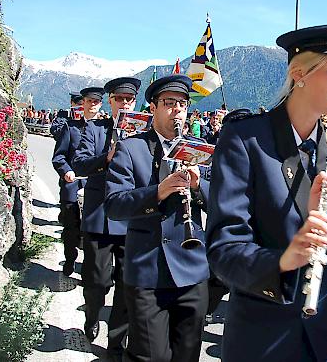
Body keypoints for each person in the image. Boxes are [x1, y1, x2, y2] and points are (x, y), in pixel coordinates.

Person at [206, 23, 327, 361]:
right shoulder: (245, 140)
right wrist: (284, 260)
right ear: (298, 73)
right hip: (267, 333)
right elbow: (224, 249)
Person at [105, 75, 210, 362]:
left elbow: (224, 203)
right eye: (168, 103)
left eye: (182, 104)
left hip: (192, 269)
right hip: (147, 269)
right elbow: (114, 206)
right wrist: (158, 192)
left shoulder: (199, 149)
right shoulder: (131, 148)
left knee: (187, 355)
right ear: (153, 107)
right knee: (150, 356)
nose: (176, 109)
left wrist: (199, 187)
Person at [72, 78, 140, 359]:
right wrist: (106, 158)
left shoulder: (142, 133)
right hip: (100, 216)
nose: (124, 104)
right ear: (110, 100)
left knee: (127, 285)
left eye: (129, 99)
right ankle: (91, 314)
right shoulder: (95, 129)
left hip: (131, 219)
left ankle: (116, 342)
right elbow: (79, 163)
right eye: (120, 99)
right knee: (98, 281)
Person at [51, 88, 99, 276]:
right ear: (83, 103)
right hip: (72, 185)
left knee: (92, 230)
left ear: (100, 104)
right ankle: (70, 259)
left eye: (96, 102)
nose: (92, 105)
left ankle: (89, 266)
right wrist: (66, 171)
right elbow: (59, 157)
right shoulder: (71, 128)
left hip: (94, 188)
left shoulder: (105, 130)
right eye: (89, 101)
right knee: (70, 227)